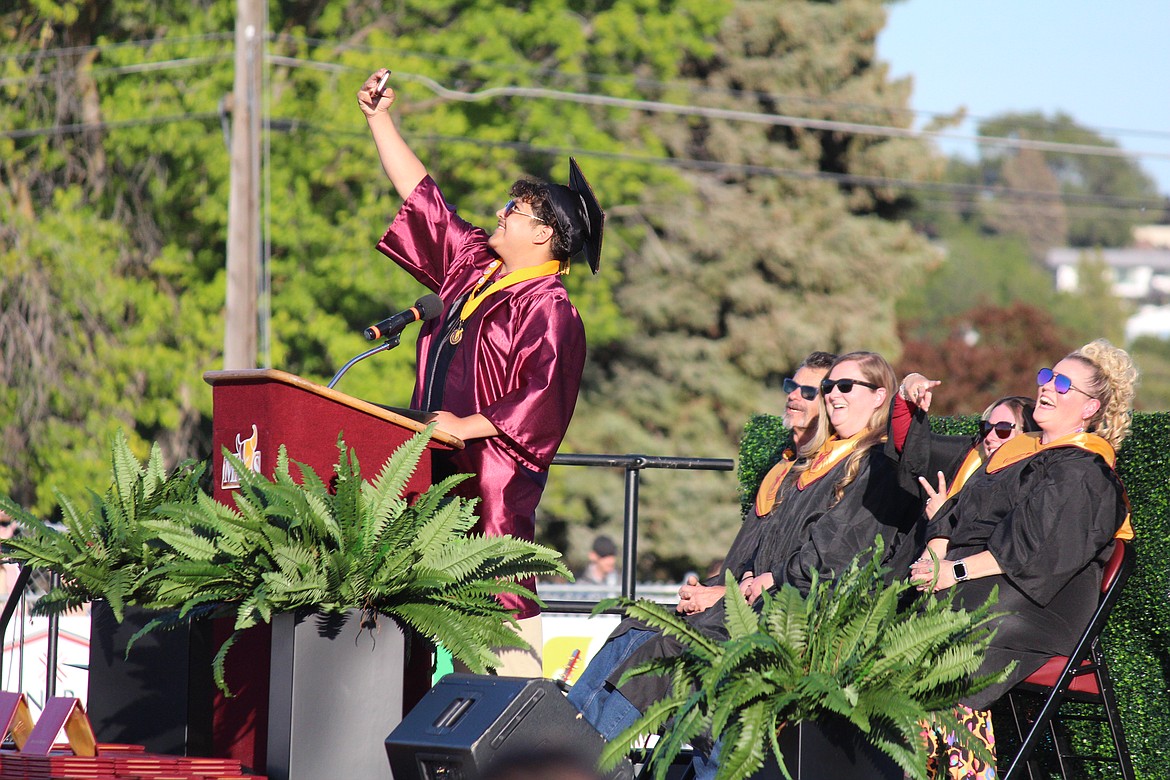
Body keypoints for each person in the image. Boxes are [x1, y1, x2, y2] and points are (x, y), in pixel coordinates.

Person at [358, 68, 605, 677]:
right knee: (414, 644)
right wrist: (378, 118)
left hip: (489, 491)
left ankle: (515, 758)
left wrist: (467, 426)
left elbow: (543, 397)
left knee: (500, 663)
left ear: (545, 234)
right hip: (429, 475)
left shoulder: (551, 308)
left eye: (514, 210)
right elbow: (425, 200)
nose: (499, 213)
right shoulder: (473, 267)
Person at [569, 351, 924, 765]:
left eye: (840, 387)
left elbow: (828, 564)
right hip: (760, 606)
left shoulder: (874, 465)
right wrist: (724, 589)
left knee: (671, 652)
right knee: (635, 630)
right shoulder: (812, 466)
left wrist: (745, 590)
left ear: (880, 396)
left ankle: (584, 765)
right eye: (827, 388)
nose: (831, 396)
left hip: (801, 621)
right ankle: (564, 745)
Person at [908, 339, 1136, 779]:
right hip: (974, 587)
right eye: (1047, 376)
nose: (1048, 386)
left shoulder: (1085, 473)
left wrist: (951, 570)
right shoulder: (1017, 461)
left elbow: (1032, 550)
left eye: (1064, 383)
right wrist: (936, 553)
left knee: (952, 653)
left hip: (1034, 607)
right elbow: (954, 513)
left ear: (1090, 409)